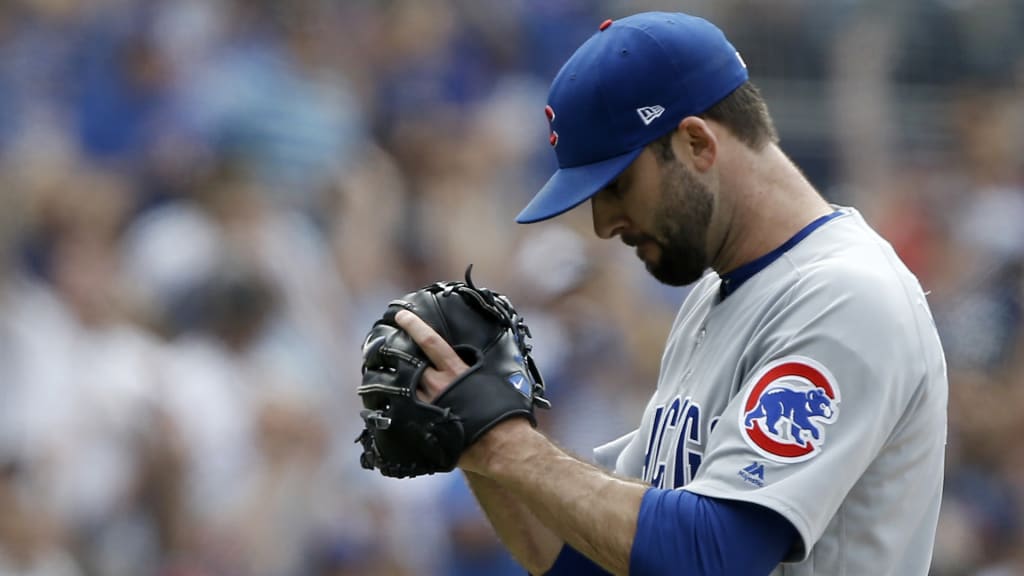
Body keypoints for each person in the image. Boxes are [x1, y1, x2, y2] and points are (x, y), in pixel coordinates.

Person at [394, 11, 948, 576]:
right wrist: (475, 435)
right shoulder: (714, 296)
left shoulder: (846, 296)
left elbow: (713, 556)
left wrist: (509, 447)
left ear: (696, 143)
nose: (603, 223)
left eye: (615, 186)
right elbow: (597, 561)